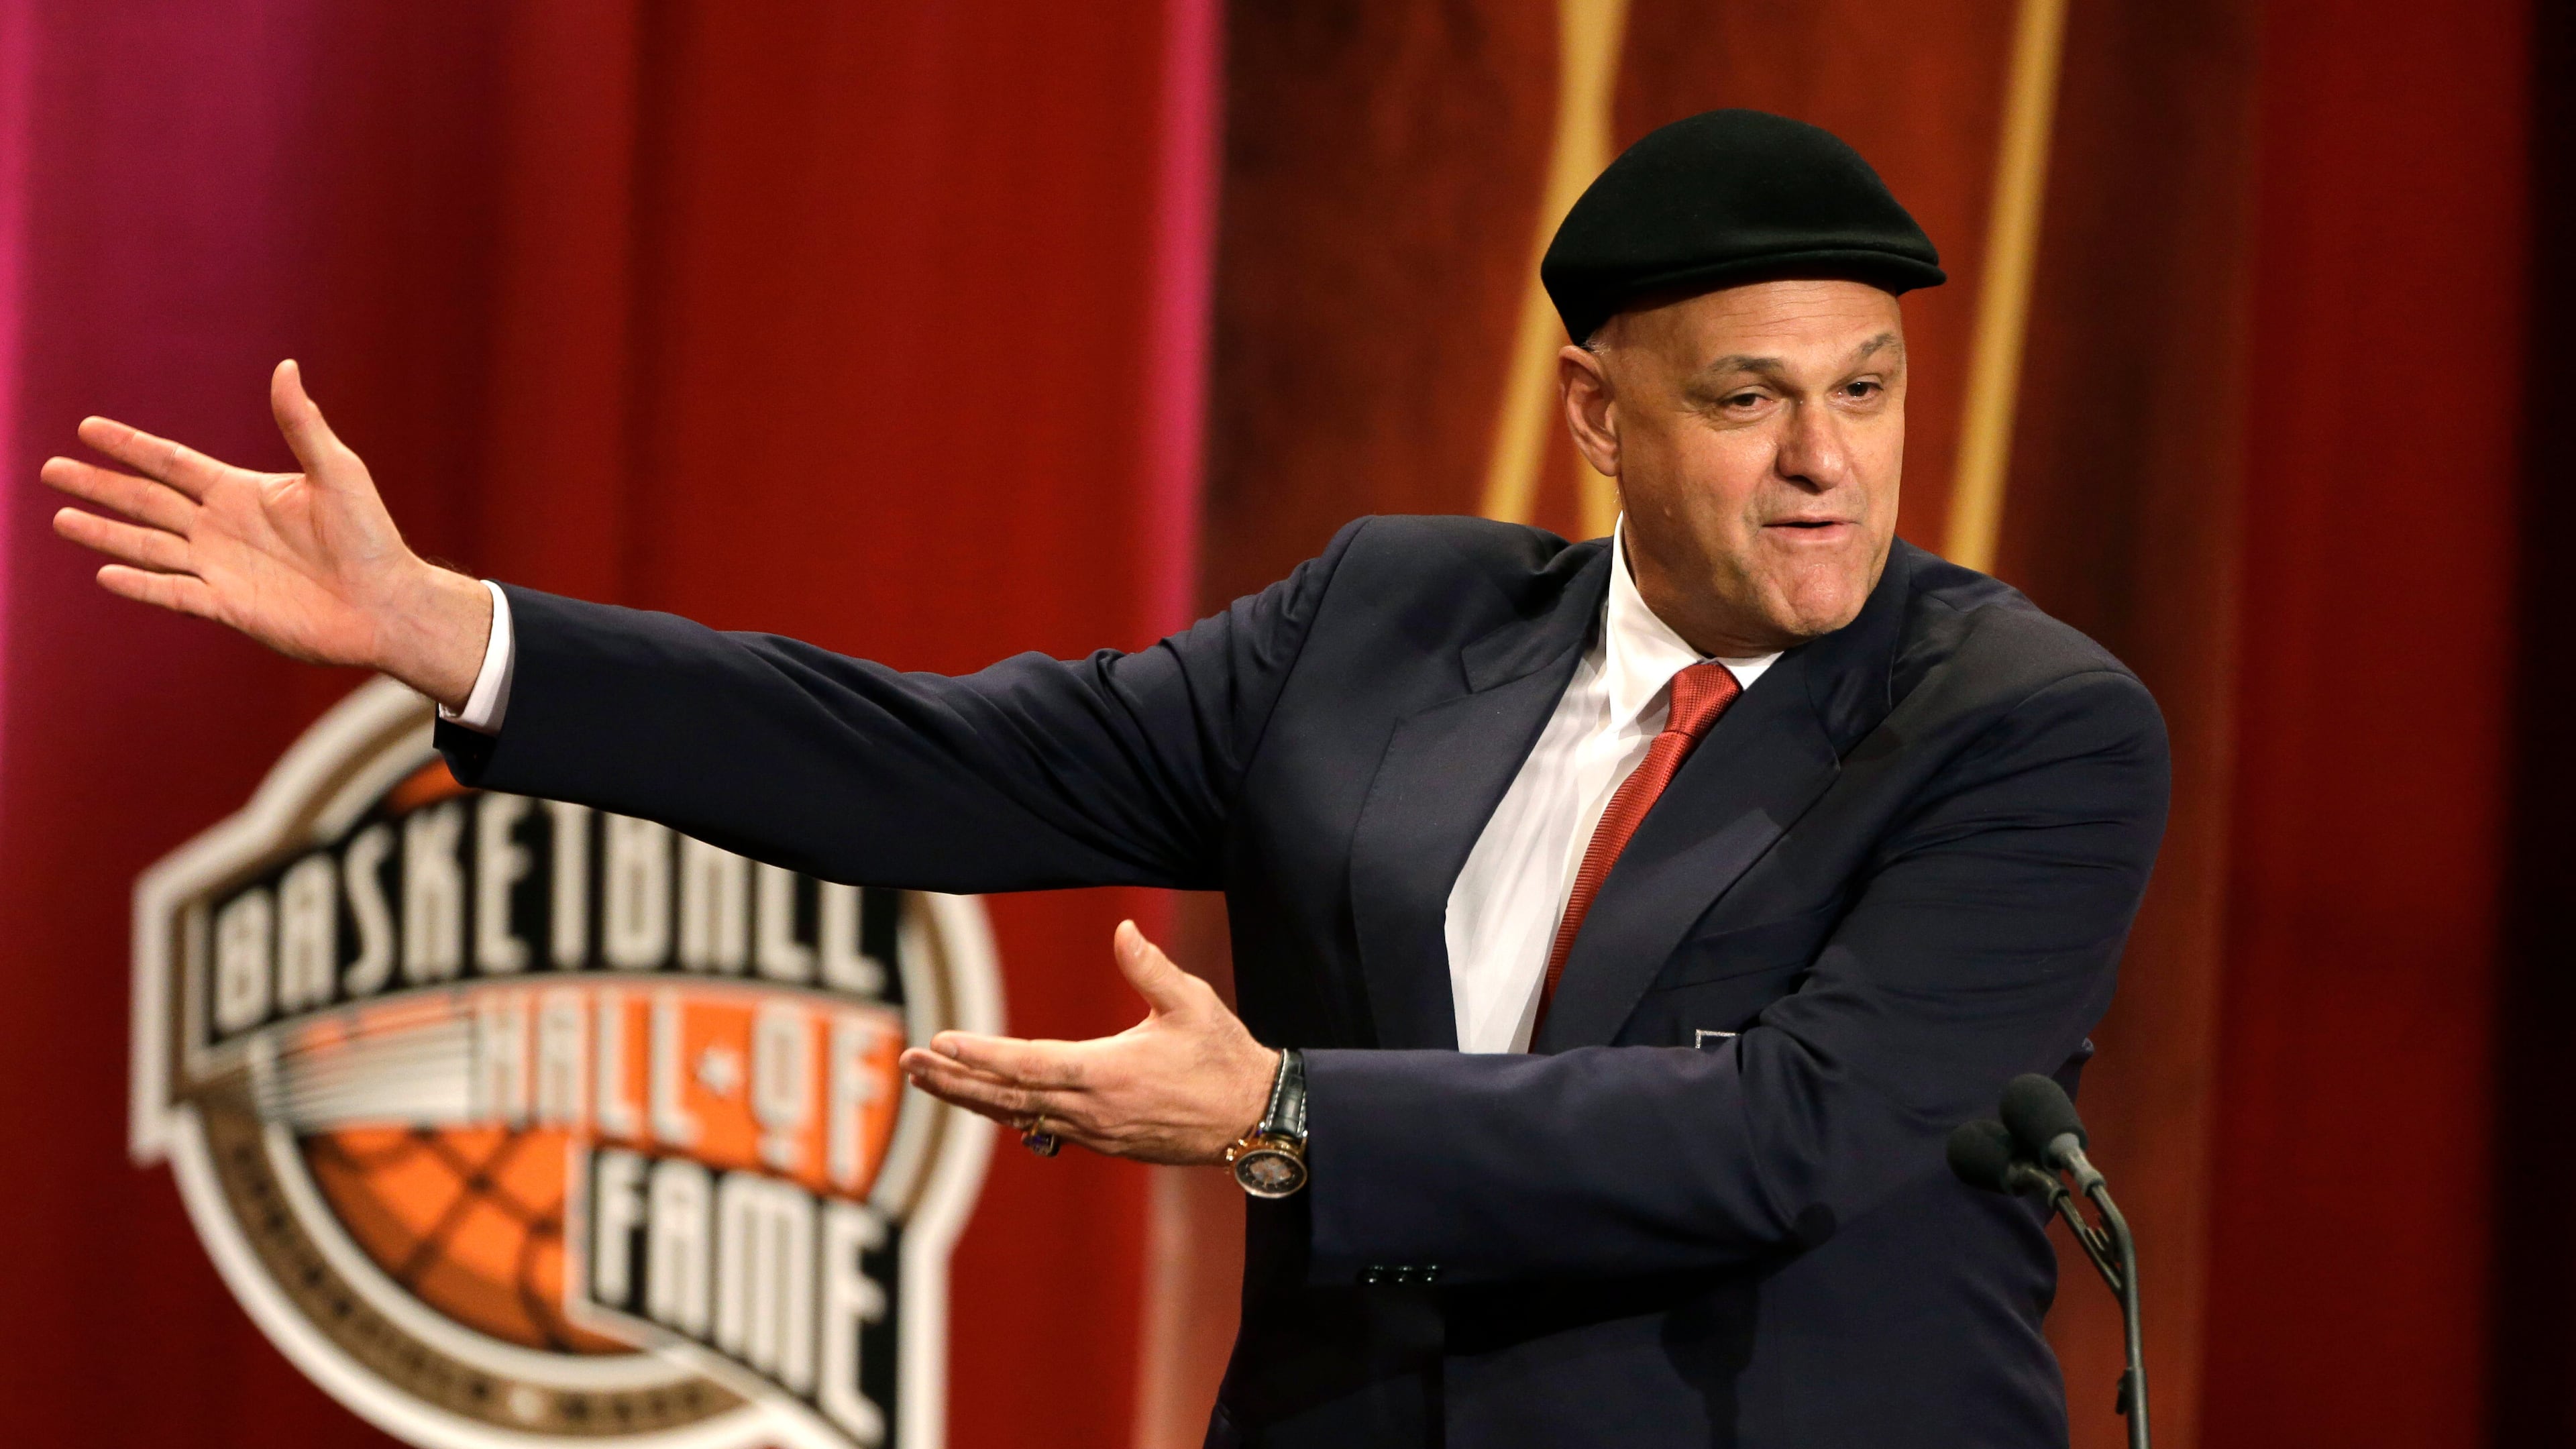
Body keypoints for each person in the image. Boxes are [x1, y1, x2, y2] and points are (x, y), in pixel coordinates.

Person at [44, 110, 2167, 1448]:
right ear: (1599, 418)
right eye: (1751, 399)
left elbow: (1777, 1137)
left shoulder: (2024, 726)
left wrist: (1282, 1115)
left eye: (1867, 391)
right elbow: (942, 768)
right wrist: (459, 633)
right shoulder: (1391, 621)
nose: (1828, 462)